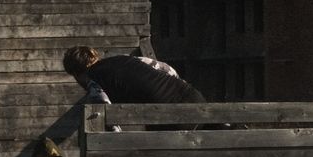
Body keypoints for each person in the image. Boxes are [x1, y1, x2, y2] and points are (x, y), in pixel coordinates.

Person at [62, 46, 205, 105]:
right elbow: (165, 68)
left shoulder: (93, 79)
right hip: (192, 95)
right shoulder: (125, 59)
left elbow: (103, 106)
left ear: (77, 74)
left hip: (168, 113)